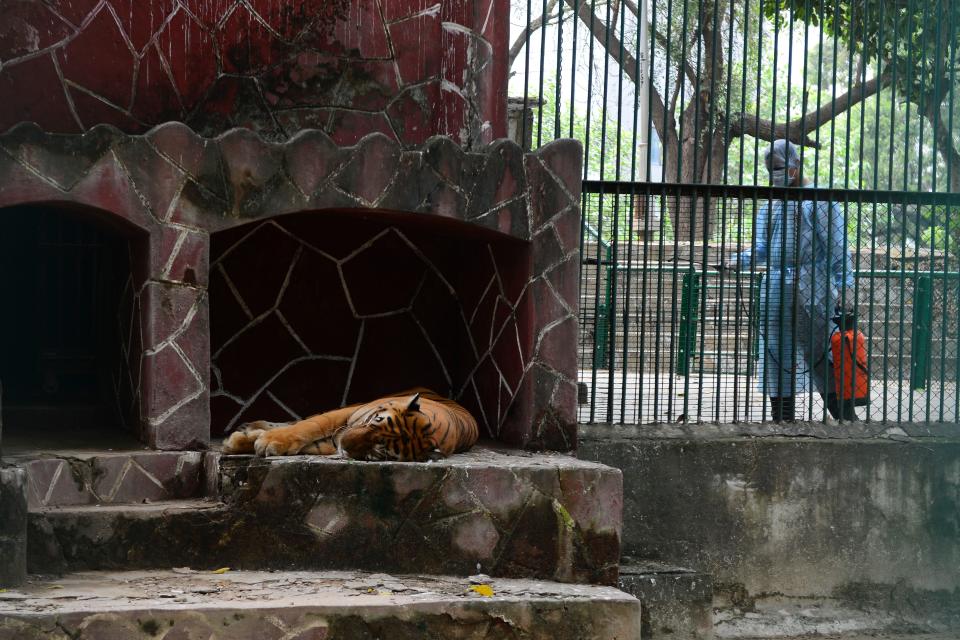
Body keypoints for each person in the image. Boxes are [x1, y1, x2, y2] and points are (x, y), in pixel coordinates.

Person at [727, 139, 856, 421]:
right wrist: (739, 260)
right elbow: (762, 246)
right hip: (776, 286)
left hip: (813, 284)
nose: (775, 174)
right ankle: (782, 419)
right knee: (775, 352)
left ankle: (845, 417)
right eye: (771, 169)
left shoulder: (818, 200)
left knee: (821, 352)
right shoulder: (771, 206)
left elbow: (837, 245)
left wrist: (844, 285)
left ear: (795, 167)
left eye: (779, 168)